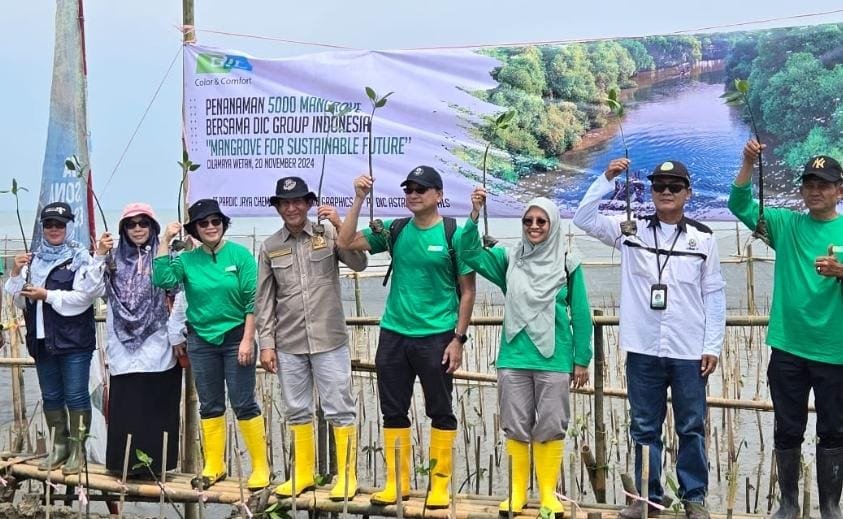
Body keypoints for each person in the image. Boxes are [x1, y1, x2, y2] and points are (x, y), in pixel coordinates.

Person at [573, 159, 726, 519]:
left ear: (688, 192)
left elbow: (714, 294)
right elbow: (582, 218)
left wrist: (712, 345)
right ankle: (647, 497)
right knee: (644, 427)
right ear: (652, 192)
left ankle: (694, 498)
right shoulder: (631, 230)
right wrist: (607, 178)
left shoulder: (703, 238)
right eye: (659, 186)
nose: (667, 192)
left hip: (689, 350)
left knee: (691, 426)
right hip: (642, 347)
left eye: (675, 186)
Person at [336, 166, 476, 508]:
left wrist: (458, 339)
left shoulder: (453, 233)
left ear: (439, 195)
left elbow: (468, 291)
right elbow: (345, 242)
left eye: (421, 189)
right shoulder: (395, 229)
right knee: (393, 411)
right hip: (394, 333)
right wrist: (358, 198)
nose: (413, 194)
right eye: (409, 189)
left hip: (437, 335)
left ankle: (439, 485)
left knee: (441, 411)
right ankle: (397, 483)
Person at [729, 141, 843, 519]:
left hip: (836, 351)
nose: (815, 190)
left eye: (824, 184)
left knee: (834, 432)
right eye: (809, 183)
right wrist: (748, 162)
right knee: (787, 428)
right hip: (789, 348)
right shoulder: (785, 225)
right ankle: (789, 504)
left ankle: (830, 506)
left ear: (839, 190)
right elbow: (740, 206)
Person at [461, 188, 592, 515]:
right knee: (515, 424)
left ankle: (548, 494)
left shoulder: (568, 261)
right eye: (528, 221)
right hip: (513, 358)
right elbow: (468, 252)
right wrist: (475, 213)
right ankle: (518, 492)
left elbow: (581, 313)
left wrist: (581, 360)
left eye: (542, 221)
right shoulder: (509, 259)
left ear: (554, 225)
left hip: (555, 357)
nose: (534, 226)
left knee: (551, 424)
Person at [255, 177, 367, 500]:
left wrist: (340, 223)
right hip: (288, 343)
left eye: (298, 201)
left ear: (308, 204)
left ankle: (347, 476)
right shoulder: (269, 246)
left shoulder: (328, 233)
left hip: (329, 339)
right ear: (277, 207)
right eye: (285, 202)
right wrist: (266, 343)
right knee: (296, 409)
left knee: (340, 408)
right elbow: (263, 300)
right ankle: (303, 474)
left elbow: (359, 263)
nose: (292, 208)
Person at [152, 199, 269, 491]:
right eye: (203, 223)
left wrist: (246, 340)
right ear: (194, 230)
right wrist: (165, 240)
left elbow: (252, 301)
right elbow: (162, 277)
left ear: (223, 224)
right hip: (201, 339)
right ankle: (215, 465)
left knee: (243, 402)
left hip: (236, 337)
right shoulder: (188, 260)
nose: (210, 227)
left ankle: (261, 467)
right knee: (210, 403)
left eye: (215, 221)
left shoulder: (240, 255)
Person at [5, 202, 102, 475]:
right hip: (42, 340)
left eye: (60, 224)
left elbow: (85, 297)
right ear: (42, 228)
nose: (54, 229)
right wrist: (14, 273)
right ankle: (58, 446)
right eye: (49, 224)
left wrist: (46, 295)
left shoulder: (80, 257)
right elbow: (17, 299)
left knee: (75, 395)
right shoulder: (32, 260)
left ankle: (77, 449)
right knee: (51, 396)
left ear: (69, 226)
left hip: (74, 342)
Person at [89, 203, 184, 477]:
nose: (138, 229)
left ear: (152, 227)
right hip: (122, 341)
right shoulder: (113, 258)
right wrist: (99, 255)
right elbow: (93, 290)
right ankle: (123, 467)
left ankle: (158, 467)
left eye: (144, 223)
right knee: (126, 406)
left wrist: (177, 333)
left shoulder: (167, 255)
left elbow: (179, 293)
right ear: (123, 229)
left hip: (159, 338)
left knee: (157, 404)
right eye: (131, 224)